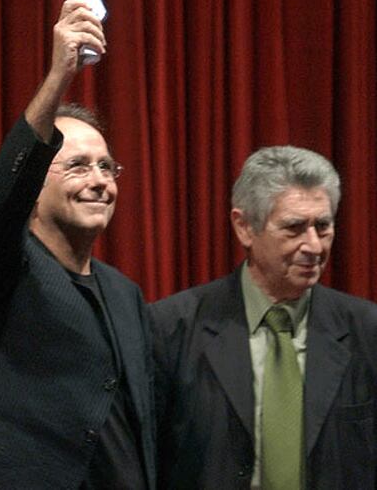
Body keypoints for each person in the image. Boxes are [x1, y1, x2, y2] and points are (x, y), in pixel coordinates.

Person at [0, 0, 155, 489]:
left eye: (106, 167)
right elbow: (2, 201)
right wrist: (59, 76)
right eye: (76, 166)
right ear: (36, 183)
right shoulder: (5, 263)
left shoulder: (126, 294)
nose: (99, 181)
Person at [149, 145, 377, 490]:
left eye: (323, 226)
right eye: (294, 228)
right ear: (244, 228)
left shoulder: (367, 329)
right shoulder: (172, 328)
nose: (314, 246)